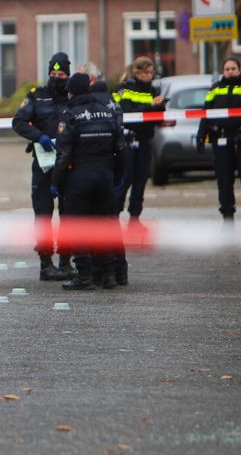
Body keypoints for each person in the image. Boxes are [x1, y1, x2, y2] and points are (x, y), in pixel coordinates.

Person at [51, 73, 125, 290]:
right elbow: (121, 147)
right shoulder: (108, 112)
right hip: (105, 174)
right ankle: (109, 275)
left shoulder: (70, 115)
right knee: (104, 225)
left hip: (80, 176)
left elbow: (63, 154)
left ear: (72, 92)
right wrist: (119, 175)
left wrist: (56, 182)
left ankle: (84, 276)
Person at [12, 52, 74, 281]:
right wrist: (39, 136)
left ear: (68, 75)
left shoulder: (73, 97)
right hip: (44, 163)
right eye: (53, 74)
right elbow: (18, 122)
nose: (57, 78)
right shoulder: (36, 96)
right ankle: (46, 264)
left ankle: (66, 261)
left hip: (68, 164)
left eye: (61, 74)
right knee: (43, 213)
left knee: (69, 214)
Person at [195, 57, 241, 223]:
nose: (230, 72)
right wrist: (201, 135)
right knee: (224, 180)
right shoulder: (215, 89)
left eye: (233, 68)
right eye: (227, 69)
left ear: (239, 70)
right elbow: (205, 113)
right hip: (221, 139)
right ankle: (227, 219)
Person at [113, 57, 164, 223]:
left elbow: (158, 117)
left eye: (151, 73)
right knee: (125, 179)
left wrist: (160, 106)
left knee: (141, 180)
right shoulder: (124, 89)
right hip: (127, 141)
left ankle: (135, 217)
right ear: (137, 72)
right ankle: (114, 215)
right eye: (146, 72)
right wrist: (150, 107)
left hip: (144, 140)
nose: (150, 76)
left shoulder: (152, 90)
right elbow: (125, 113)